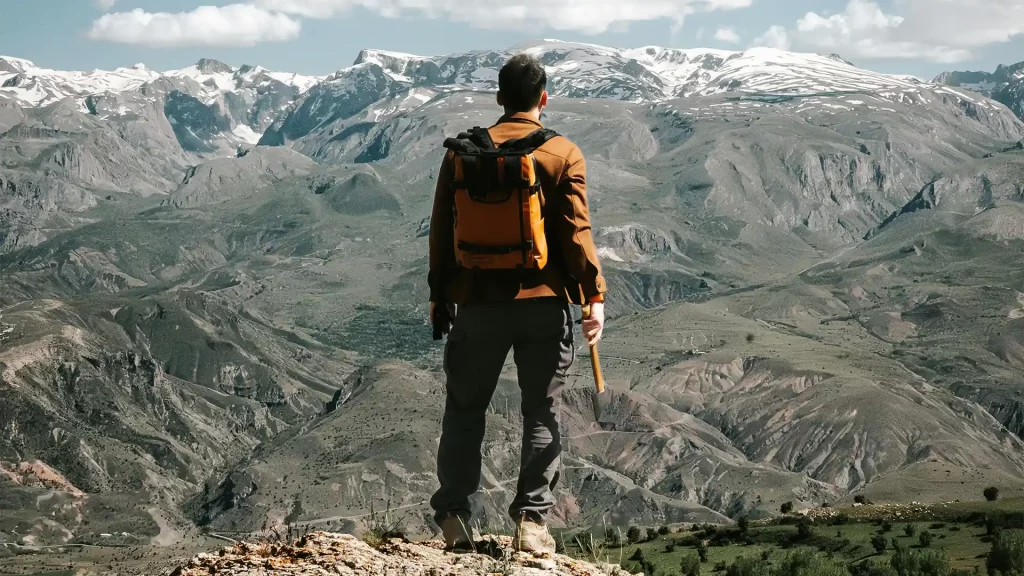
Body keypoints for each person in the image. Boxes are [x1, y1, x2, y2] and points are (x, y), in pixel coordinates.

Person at [427, 52, 606, 554]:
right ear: (544, 99)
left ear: (500, 98)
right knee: (542, 412)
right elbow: (576, 235)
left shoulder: (460, 154)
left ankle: (455, 516)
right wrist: (594, 295)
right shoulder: (562, 153)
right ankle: (531, 523)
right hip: (543, 307)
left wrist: (440, 298)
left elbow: (442, 232)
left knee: (464, 410)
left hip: (477, 306)